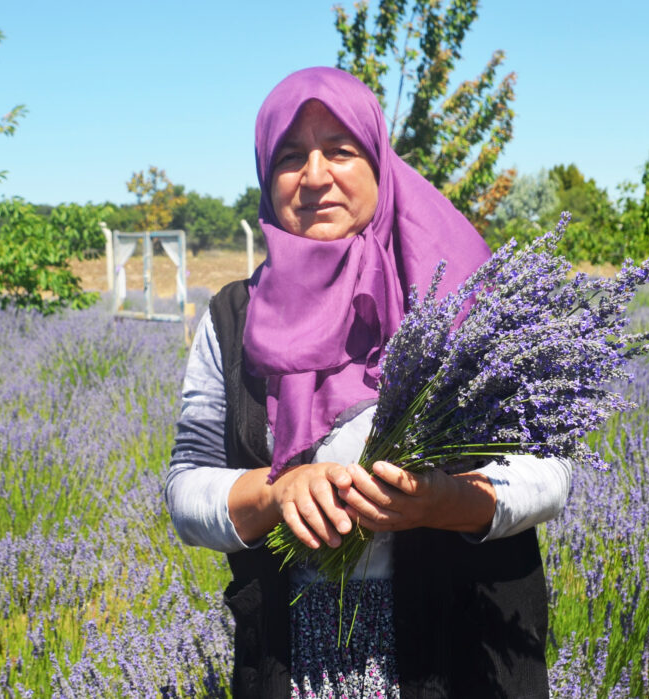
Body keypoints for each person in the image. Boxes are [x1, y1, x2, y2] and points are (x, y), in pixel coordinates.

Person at [166, 67, 571, 699]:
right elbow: (186, 488)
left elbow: (550, 473)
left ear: (379, 163)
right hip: (293, 656)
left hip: (455, 654)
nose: (316, 176)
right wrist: (277, 494)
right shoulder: (230, 319)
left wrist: (450, 502)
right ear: (265, 178)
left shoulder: (462, 298)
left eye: (341, 151)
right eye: (291, 157)